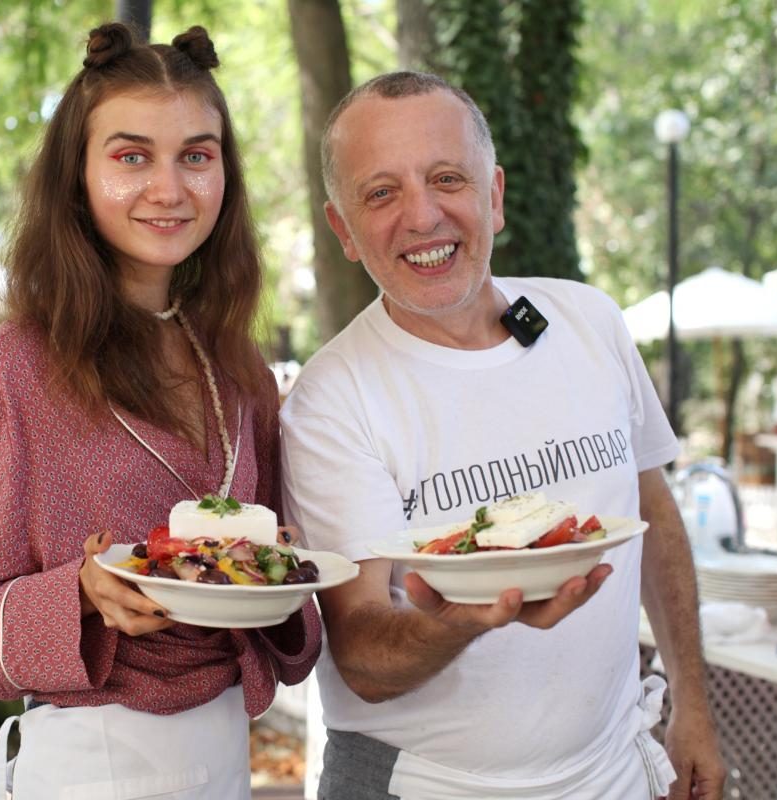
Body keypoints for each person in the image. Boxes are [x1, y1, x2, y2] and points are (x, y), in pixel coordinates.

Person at [279, 71, 725, 800]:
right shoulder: (332, 400)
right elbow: (362, 653)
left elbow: (655, 516)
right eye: (381, 192)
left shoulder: (590, 321)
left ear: (495, 196)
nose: (422, 216)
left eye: (447, 178)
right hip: (427, 784)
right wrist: (469, 619)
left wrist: (694, 708)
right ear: (344, 231)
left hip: (616, 768)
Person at [0, 23, 321, 800]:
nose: (168, 189)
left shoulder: (237, 370)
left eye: (195, 156)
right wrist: (78, 594)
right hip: (87, 767)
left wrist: (273, 571)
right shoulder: (12, 372)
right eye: (132, 157)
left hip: (227, 761)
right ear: (76, 178)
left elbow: (274, 604)